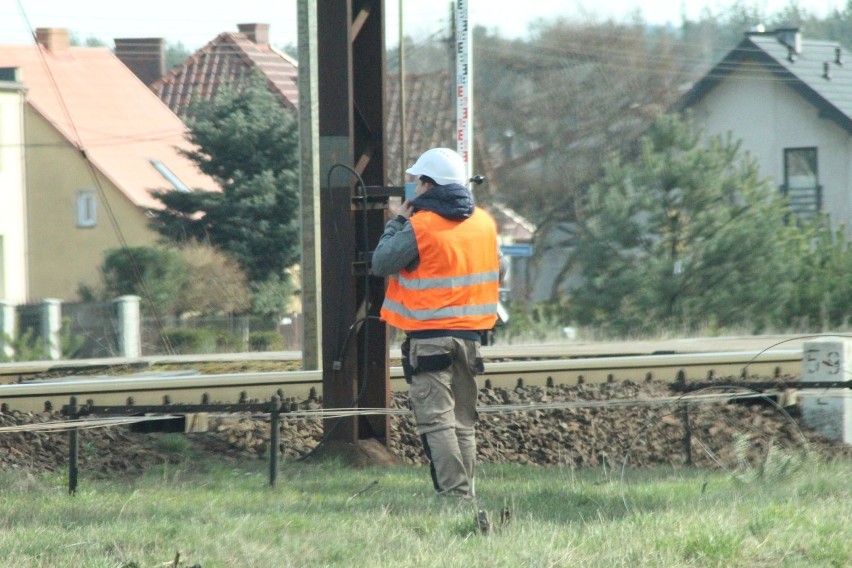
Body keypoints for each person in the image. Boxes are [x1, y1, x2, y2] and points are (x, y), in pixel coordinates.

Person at [371, 147, 502, 498]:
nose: (415, 188)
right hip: (470, 338)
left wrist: (397, 220)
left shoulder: (421, 225)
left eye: (417, 182)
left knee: (437, 421)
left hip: (429, 339)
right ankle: (466, 492)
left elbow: (381, 262)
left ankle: (455, 497)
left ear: (429, 185)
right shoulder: (484, 223)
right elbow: (496, 268)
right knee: (463, 422)